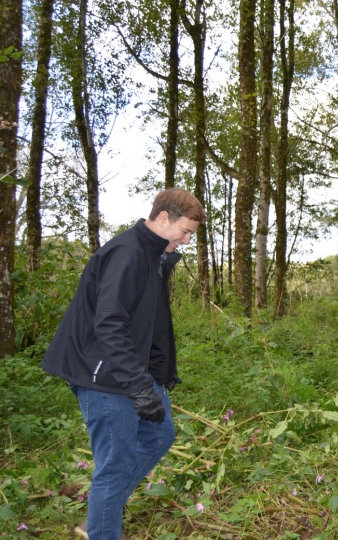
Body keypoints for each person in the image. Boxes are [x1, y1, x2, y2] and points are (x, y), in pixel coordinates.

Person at [41, 188, 206, 540]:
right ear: (164, 219)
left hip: (130, 369)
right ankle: (102, 530)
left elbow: (151, 324)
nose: (188, 240)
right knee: (114, 462)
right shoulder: (127, 253)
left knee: (159, 435)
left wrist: (157, 377)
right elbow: (110, 324)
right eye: (186, 232)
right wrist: (136, 385)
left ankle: (101, 513)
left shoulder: (153, 256)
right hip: (103, 374)